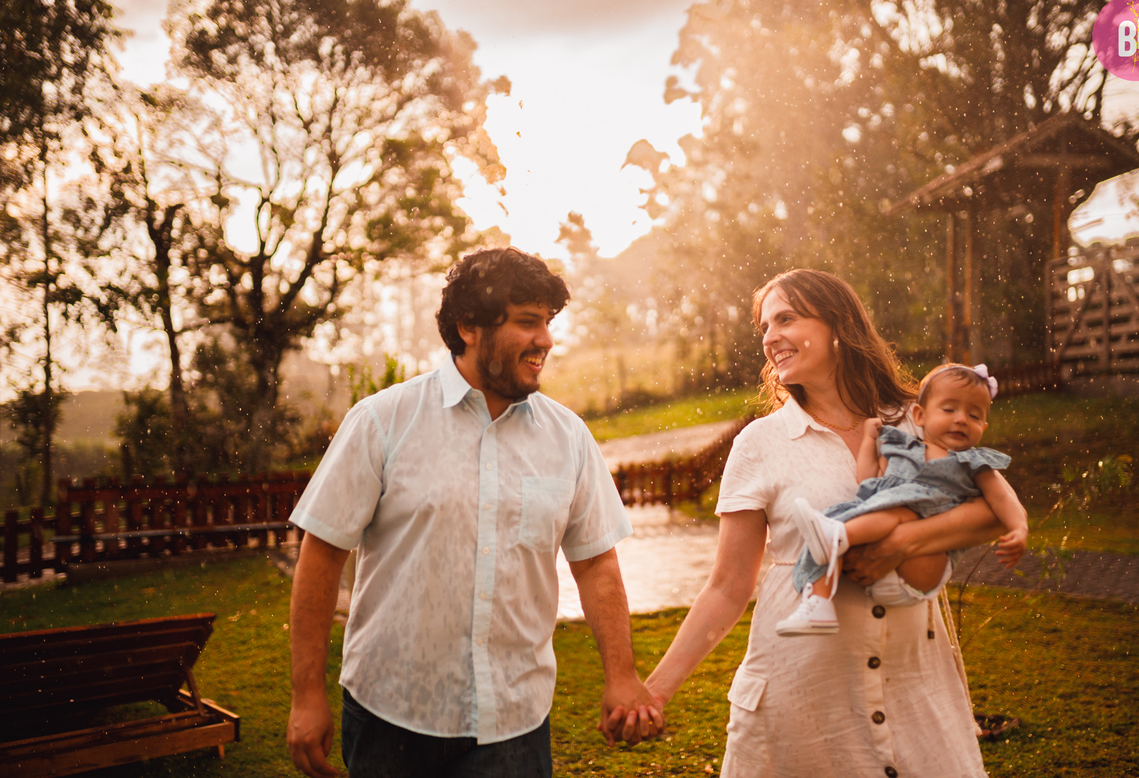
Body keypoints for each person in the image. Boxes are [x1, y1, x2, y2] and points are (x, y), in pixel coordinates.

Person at [286, 247, 662, 778]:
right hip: (389, 716)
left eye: (549, 323)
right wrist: (307, 695)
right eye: (528, 323)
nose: (546, 341)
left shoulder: (569, 438)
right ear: (468, 326)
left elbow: (596, 563)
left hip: (514, 722)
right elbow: (321, 554)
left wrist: (621, 675)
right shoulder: (381, 421)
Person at [641, 269, 1015, 777]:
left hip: (916, 686)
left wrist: (902, 541)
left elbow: (991, 509)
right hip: (802, 695)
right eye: (765, 326)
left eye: (787, 318)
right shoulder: (759, 444)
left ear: (838, 325)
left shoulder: (917, 420)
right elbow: (728, 586)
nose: (771, 337)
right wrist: (654, 692)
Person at [776, 362, 1029, 635]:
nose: (961, 419)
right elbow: (868, 480)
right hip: (874, 562)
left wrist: (1020, 528)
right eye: (949, 409)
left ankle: (836, 537)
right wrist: (867, 441)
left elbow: (1003, 499)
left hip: (922, 569)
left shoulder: (973, 462)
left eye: (975, 415)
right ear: (919, 415)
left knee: (892, 511)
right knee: (842, 517)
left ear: (984, 426)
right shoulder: (900, 446)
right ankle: (819, 604)